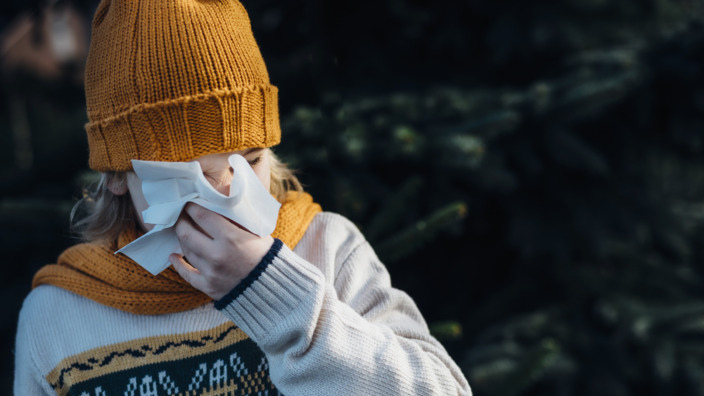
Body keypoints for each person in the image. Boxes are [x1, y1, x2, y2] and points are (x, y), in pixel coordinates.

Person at [13, 0, 472, 395]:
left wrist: (274, 294)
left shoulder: (329, 251)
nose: (232, 193)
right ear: (118, 177)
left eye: (250, 160)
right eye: (194, 175)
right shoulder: (56, 317)